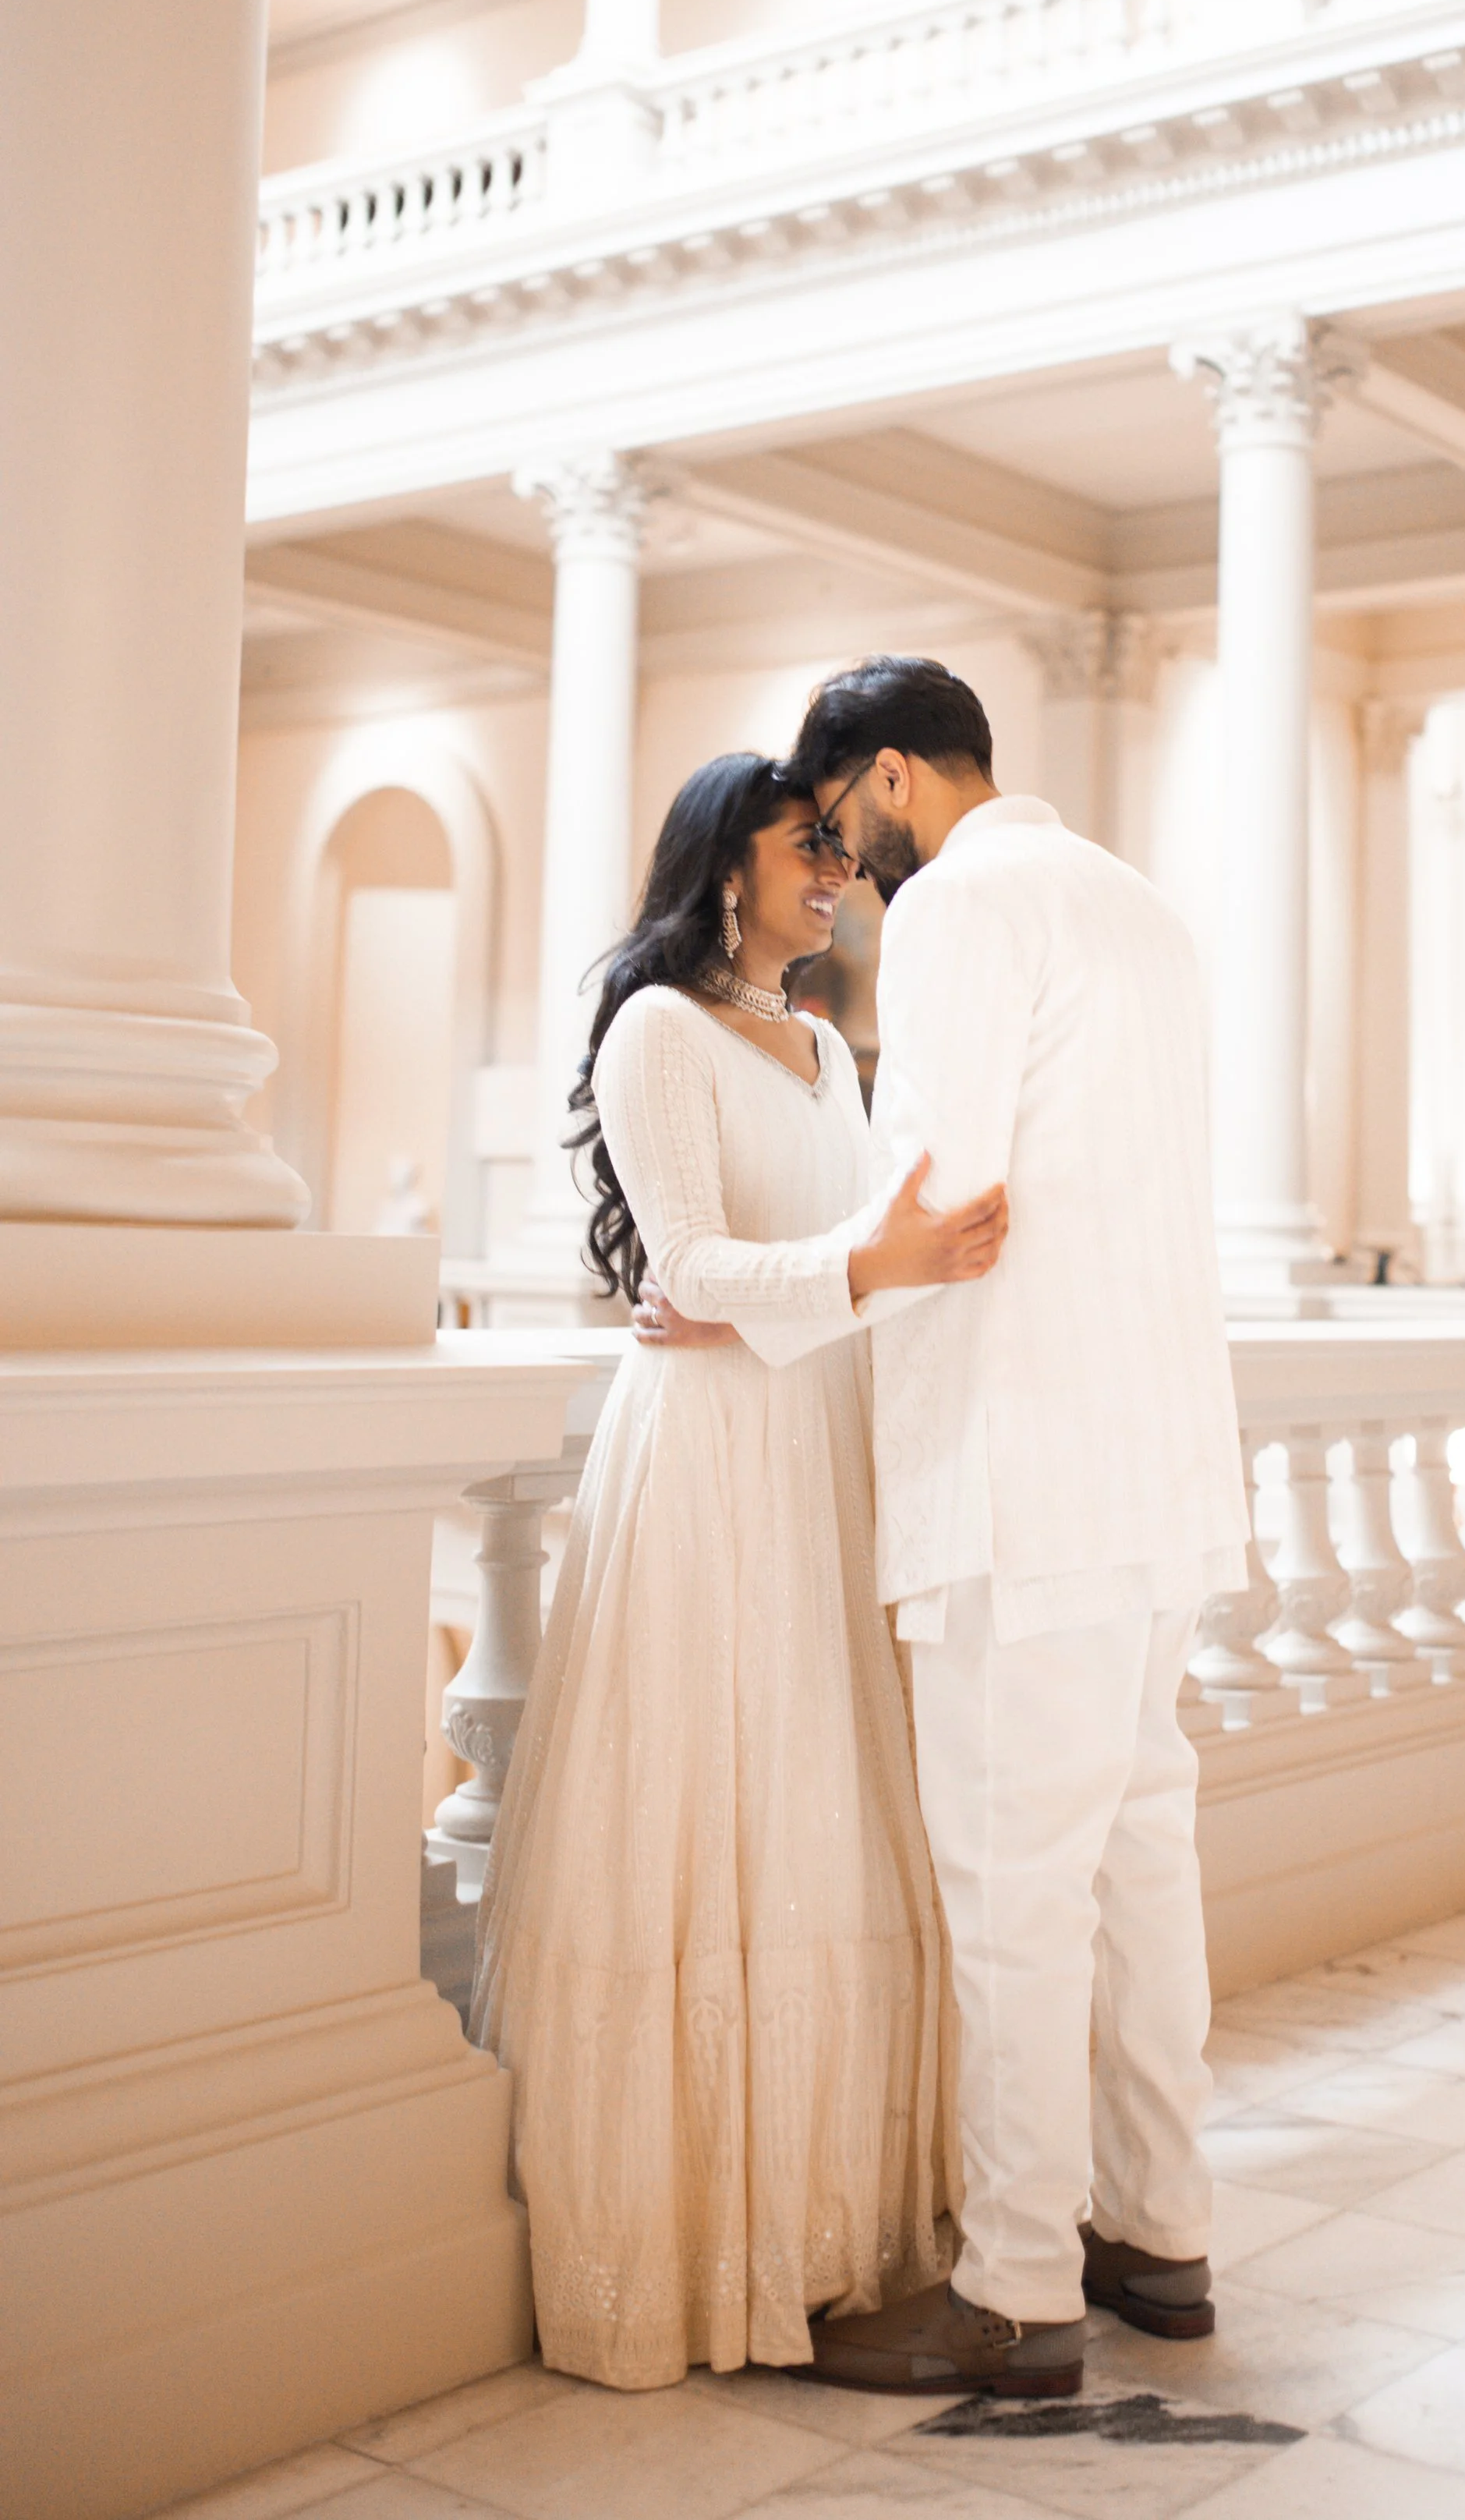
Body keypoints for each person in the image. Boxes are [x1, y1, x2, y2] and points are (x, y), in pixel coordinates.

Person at [643, 659, 1251, 2401]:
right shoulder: (1138, 905)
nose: (838, 862)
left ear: (892, 776)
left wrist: (769, 1293)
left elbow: (941, 1194)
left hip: (1022, 1471)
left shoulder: (971, 907)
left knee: (1010, 1890)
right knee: (1139, 1858)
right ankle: (1162, 2233)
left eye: (838, 821)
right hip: (1155, 1471)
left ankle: (1010, 2287)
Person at [470, 751, 1007, 2391]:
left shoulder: (825, 1046)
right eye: (808, 848)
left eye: (842, 850)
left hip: (813, 1438)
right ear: (726, 867)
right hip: (706, 1459)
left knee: (824, 1797)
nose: (836, 874)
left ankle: (828, 2227)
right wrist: (864, 1262)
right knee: (709, 1801)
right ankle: (693, 2245)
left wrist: (866, 1271)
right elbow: (689, 1266)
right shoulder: (654, 1030)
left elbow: (772, 1271)